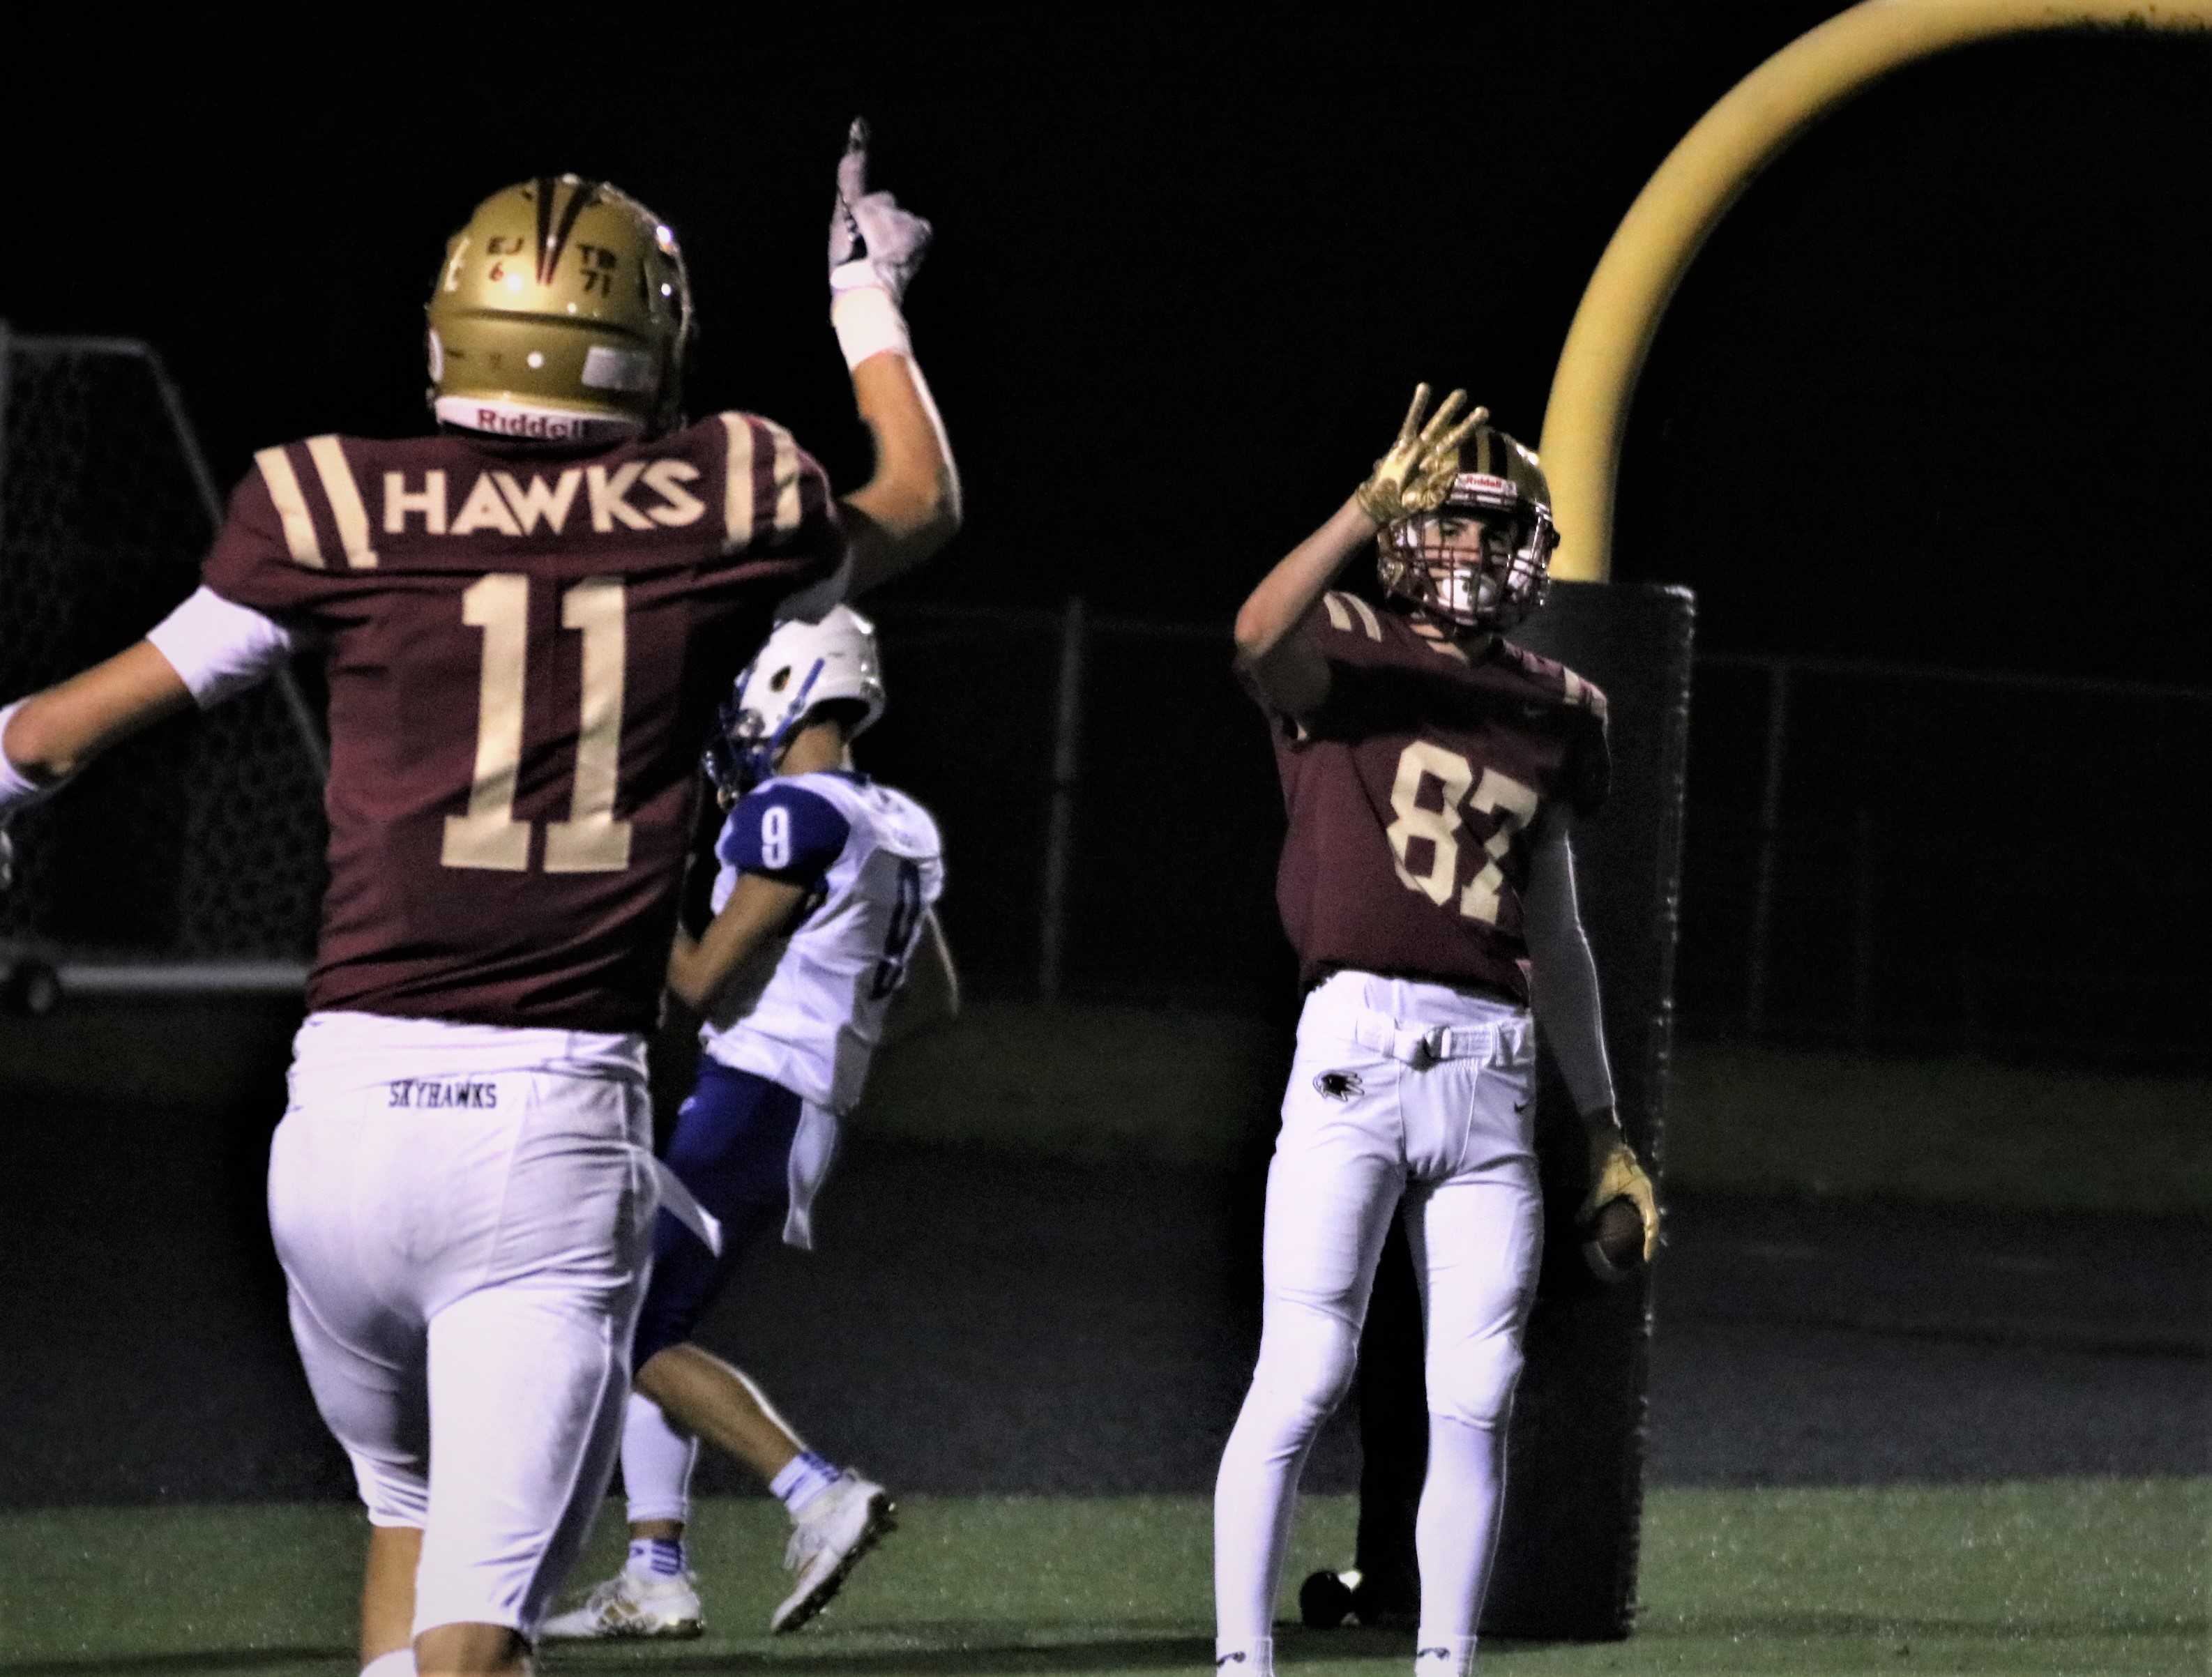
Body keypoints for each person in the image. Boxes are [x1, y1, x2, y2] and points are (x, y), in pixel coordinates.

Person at [0, 125, 958, 1677]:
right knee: (483, 1637)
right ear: (640, 346)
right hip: (546, 1132)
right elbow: (914, 500)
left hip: (339, 1136)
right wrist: (867, 301)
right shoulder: (709, 494)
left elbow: (44, 737)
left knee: (406, 1514)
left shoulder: (329, 503)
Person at [1213, 386, 1658, 1677]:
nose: (1471, 551)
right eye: (1448, 527)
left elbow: (1560, 938)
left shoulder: (1560, 705)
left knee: (1475, 1396)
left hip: (1493, 1073)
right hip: (1354, 1047)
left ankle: (1446, 1663)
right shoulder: (1344, 643)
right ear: (1408, 534)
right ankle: (1245, 1664)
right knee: (1301, 1374)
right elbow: (1253, 633)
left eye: (1495, 529)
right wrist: (1361, 503)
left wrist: (1602, 1122)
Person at [544, 605, 954, 1642]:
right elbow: (934, 994)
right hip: (798, 1099)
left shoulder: (795, 811)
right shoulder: (892, 818)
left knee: (634, 1325)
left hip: (757, 1096)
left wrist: (629, 867)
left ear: (789, 689)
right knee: (644, 1310)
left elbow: (693, 976)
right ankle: (655, 1571)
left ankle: (819, 1492)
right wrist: (835, 1049)